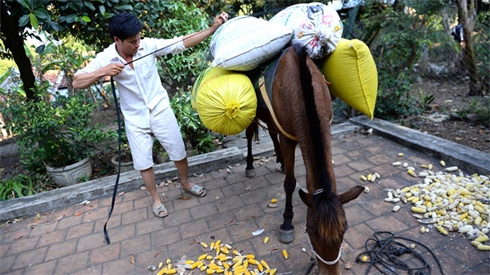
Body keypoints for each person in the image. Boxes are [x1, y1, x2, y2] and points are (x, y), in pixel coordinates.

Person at [73, 11, 228, 218]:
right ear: (117, 40)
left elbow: (180, 43)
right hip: (134, 118)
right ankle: (156, 198)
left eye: (138, 39)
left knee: (178, 151)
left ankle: (185, 182)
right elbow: (77, 82)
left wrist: (212, 28)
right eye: (132, 42)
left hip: (160, 109)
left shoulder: (148, 45)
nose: (138, 44)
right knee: (143, 162)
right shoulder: (105, 57)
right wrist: (103, 71)